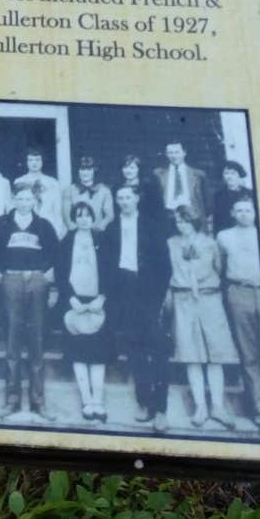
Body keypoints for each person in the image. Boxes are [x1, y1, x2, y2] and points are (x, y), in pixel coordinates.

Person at [103, 183, 172, 428]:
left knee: (158, 351)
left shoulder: (152, 226)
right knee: (135, 352)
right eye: (119, 197)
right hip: (125, 293)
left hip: (150, 294)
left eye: (127, 197)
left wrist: (159, 298)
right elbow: (107, 267)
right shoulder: (111, 229)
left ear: (136, 198)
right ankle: (144, 403)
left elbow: (165, 266)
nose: (123, 201)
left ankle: (161, 409)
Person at [167, 206, 240, 429]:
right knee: (192, 355)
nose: (183, 225)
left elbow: (220, 268)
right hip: (183, 300)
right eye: (179, 222)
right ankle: (201, 407)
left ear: (195, 221)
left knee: (214, 354)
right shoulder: (171, 243)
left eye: (187, 221)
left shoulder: (210, 243)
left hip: (209, 299)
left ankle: (217, 407)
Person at [0, 189, 60, 420]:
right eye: (19, 198)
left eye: (28, 199)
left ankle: (38, 400)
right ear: (13, 200)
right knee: (12, 341)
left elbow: (54, 255)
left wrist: (49, 284)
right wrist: (0, 277)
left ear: (34, 201)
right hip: (11, 280)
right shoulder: (2, 223)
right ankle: (12, 400)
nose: (23, 202)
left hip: (37, 281)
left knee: (36, 340)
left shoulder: (44, 225)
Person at [217, 196, 260, 433]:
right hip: (238, 292)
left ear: (254, 212)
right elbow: (219, 267)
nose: (243, 214)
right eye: (238, 210)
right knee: (249, 354)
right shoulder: (224, 237)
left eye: (247, 210)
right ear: (232, 212)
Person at [56, 199, 109, 422]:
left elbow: (110, 269)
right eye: (79, 215)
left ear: (92, 217)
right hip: (75, 302)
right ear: (74, 218)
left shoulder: (102, 239)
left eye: (87, 215)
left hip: (98, 301)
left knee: (97, 355)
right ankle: (86, 401)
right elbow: (60, 272)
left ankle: (98, 401)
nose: (83, 219)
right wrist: (70, 298)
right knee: (78, 353)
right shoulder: (66, 241)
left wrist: (103, 297)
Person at [154, 141, 207, 230]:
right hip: (168, 220)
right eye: (170, 153)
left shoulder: (198, 174)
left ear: (184, 153)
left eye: (177, 152)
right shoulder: (158, 174)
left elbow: (205, 202)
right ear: (166, 154)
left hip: (192, 218)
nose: (174, 156)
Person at [12, 149, 64, 236]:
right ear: (26, 162)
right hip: (26, 226)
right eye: (31, 160)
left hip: (48, 224)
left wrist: (57, 230)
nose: (34, 163)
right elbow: (15, 208)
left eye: (37, 160)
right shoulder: (19, 181)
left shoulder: (52, 183)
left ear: (42, 161)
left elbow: (57, 210)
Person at [62, 157, 114, 233]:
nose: (85, 173)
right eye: (82, 169)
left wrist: (100, 227)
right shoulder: (69, 190)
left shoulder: (104, 190)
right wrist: (74, 230)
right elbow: (66, 216)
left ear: (94, 170)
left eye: (89, 169)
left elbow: (109, 215)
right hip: (76, 233)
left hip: (97, 233)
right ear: (78, 171)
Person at [212, 161, 252, 234]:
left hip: (247, 230)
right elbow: (217, 218)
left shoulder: (250, 193)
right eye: (226, 173)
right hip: (227, 232)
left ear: (239, 175)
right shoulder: (218, 195)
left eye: (233, 173)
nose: (229, 177)